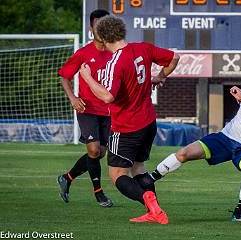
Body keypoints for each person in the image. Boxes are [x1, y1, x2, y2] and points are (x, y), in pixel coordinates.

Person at [149, 51, 241, 222]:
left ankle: (239, 212)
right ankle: (150, 179)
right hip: (226, 137)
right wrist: (239, 97)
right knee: (184, 153)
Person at [79, 16, 180, 224]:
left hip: (126, 127)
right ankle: (155, 210)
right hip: (148, 121)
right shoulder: (143, 48)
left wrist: (87, 78)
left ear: (104, 38)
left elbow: (107, 96)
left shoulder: (115, 62)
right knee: (139, 168)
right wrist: (160, 76)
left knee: (117, 174)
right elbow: (174, 58)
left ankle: (148, 201)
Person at [57, 9, 113, 207]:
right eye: (97, 25)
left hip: (109, 111)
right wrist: (72, 97)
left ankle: (67, 178)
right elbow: (64, 76)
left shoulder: (116, 52)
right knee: (93, 150)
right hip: (87, 109)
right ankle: (99, 194)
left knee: (100, 153)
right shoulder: (83, 53)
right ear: (91, 29)